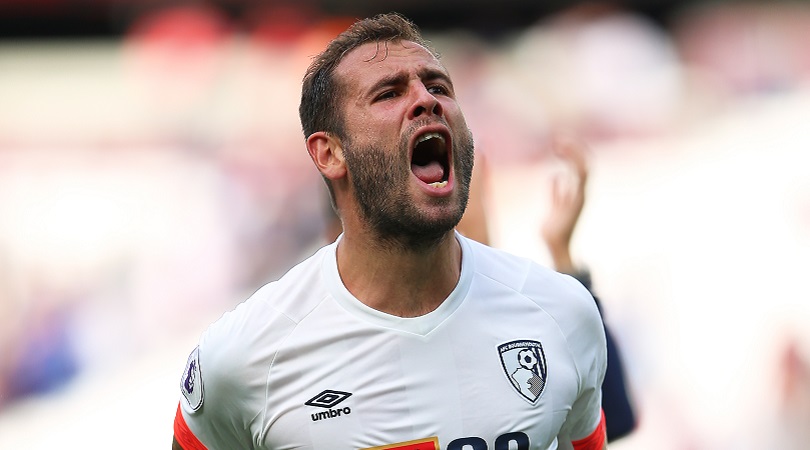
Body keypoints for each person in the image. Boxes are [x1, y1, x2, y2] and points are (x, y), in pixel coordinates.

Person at [172, 12, 608, 450]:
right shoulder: (245, 357)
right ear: (329, 153)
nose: (427, 101)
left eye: (439, 87)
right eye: (388, 94)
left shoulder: (561, 312)